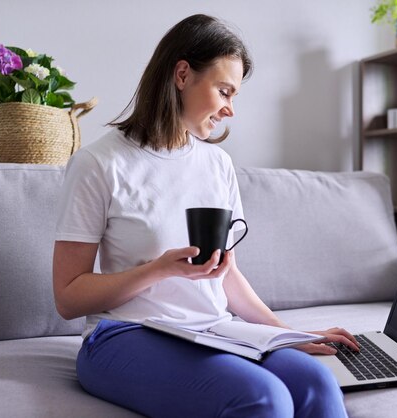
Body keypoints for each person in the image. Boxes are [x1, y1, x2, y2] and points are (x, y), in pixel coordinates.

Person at [53, 13, 358, 418]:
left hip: (212, 329)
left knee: (317, 383)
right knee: (263, 398)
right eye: (224, 91)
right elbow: (68, 296)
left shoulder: (218, 164)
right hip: (124, 335)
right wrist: (159, 269)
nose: (230, 109)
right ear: (182, 74)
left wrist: (286, 335)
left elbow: (225, 272)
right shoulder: (98, 164)